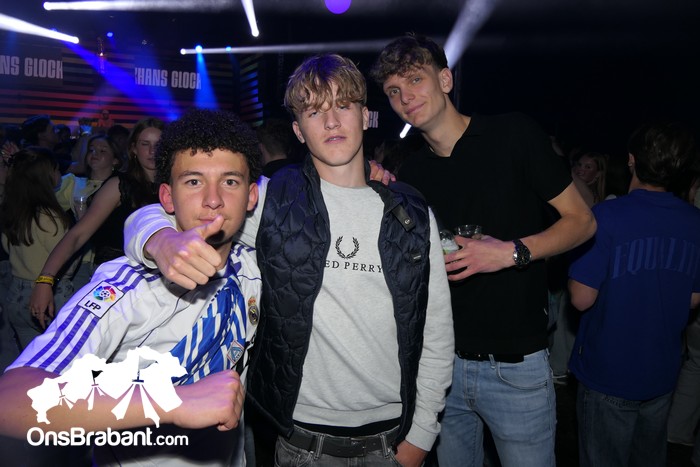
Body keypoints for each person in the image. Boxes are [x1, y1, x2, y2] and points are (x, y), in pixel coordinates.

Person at [123, 54, 454, 466]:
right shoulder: (273, 200)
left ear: (365, 116)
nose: (331, 122)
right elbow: (152, 214)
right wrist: (162, 242)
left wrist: (422, 435)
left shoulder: (411, 212)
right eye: (314, 112)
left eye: (343, 105)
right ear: (298, 130)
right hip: (301, 444)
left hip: (392, 441)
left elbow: (436, 330)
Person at [370, 34, 596, 467]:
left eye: (415, 80)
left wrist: (509, 253)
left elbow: (583, 222)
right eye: (394, 91)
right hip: (443, 369)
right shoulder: (413, 174)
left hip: (515, 367)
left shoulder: (513, 134)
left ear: (445, 80)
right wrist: (378, 191)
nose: (405, 97)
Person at [0, 108, 262, 466]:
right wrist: (172, 401)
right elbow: (12, 400)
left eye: (230, 181)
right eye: (193, 182)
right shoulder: (128, 284)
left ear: (251, 195)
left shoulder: (252, 265)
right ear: (167, 197)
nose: (213, 199)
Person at [568, 122, 700, 467]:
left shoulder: (607, 215)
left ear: (631, 160)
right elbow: (693, 298)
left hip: (608, 373)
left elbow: (581, 298)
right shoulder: (695, 221)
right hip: (661, 372)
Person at [28, 118, 163, 321]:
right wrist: (45, 280)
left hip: (160, 286)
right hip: (117, 284)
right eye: (145, 144)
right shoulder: (119, 185)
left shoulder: (176, 185)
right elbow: (78, 234)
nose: (152, 151)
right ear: (134, 148)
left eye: (158, 144)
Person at [0, 147, 78, 351]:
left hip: (17, 293)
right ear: (47, 176)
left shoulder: (13, 211)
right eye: (56, 169)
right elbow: (68, 265)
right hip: (50, 294)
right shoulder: (50, 217)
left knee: (29, 358)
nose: (59, 173)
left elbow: (8, 249)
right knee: (57, 358)